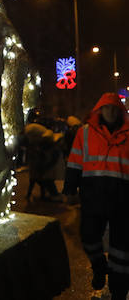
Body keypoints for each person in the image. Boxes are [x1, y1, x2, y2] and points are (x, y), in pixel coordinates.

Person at [63, 92, 129, 299]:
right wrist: (69, 190)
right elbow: (74, 163)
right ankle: (100, 268)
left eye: (114, 108)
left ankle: (119, 290)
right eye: (106, 108)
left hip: (123, 201)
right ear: (99, 110)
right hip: (94, 199)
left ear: (120, 111)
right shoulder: (84, 133)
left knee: (122, 250)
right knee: (89, 238)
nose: (110, 112)